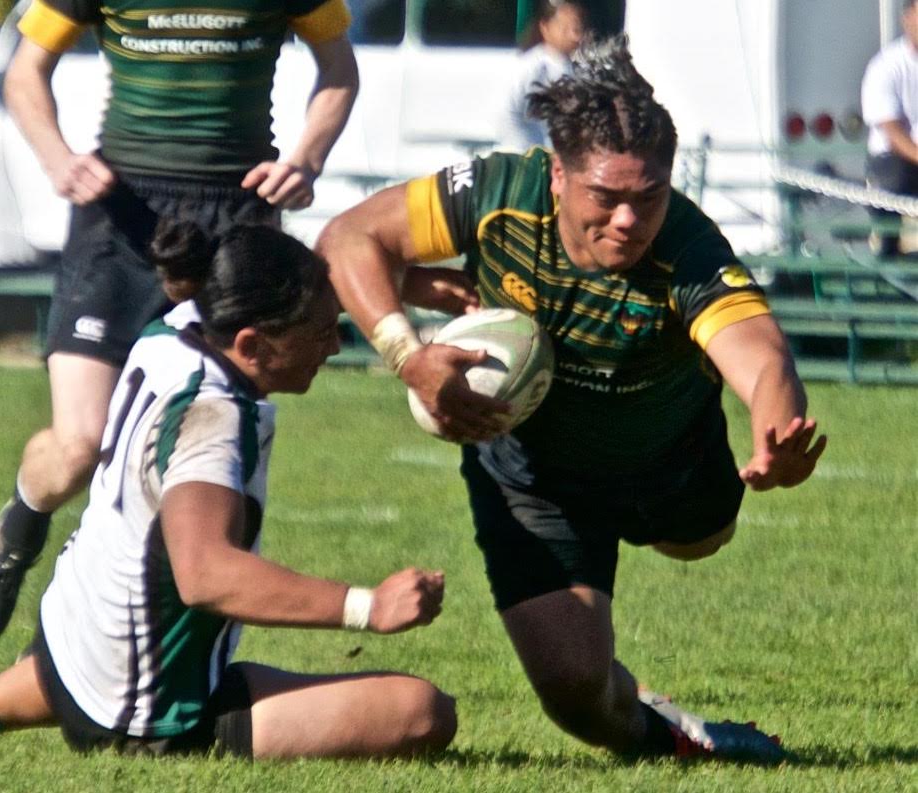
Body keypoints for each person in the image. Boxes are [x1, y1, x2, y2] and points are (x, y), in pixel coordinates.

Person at [316, 36, 827, 764]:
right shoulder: (494, 193)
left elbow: (760, 353)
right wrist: (408, 354)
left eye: (647, 196)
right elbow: (348, 236)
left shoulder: (687, 247)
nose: (627, 219)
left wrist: (773, 431)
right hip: (531, 473)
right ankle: (675, 737)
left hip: (664, 460)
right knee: (574, 693)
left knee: (699, 541)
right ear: (556, 174)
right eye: (606, 197)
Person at [0, 222, 456, 759]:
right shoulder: (215, 418)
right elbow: (206, 575)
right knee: (422, 712)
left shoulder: (172, 329)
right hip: (142, 707)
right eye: (322, 332)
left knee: (91, 659)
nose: (332, 347)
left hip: (77, 630)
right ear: (251, 344)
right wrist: (366, 607)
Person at [0, 0, 360, 648]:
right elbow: (25, 70)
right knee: (79, 444)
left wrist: (306, 159)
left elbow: (338, 68)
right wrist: (57, 157)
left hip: (238, 211)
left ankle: (162, 629)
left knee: (220, 429)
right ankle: (22, 520)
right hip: (121, 215)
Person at [861, 0, 918, 257]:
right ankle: (888, 254)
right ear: (907, 18)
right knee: (896, 177)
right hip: (893, 162)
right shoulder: (886, 66)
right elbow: (893, 134)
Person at [495, 0, 588, 152]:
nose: (574, 35)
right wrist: (532, 154)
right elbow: (505, 114)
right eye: (565, 28)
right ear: (545, 27)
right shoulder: (532, 67)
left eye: (577, 28)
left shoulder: (579, 70)